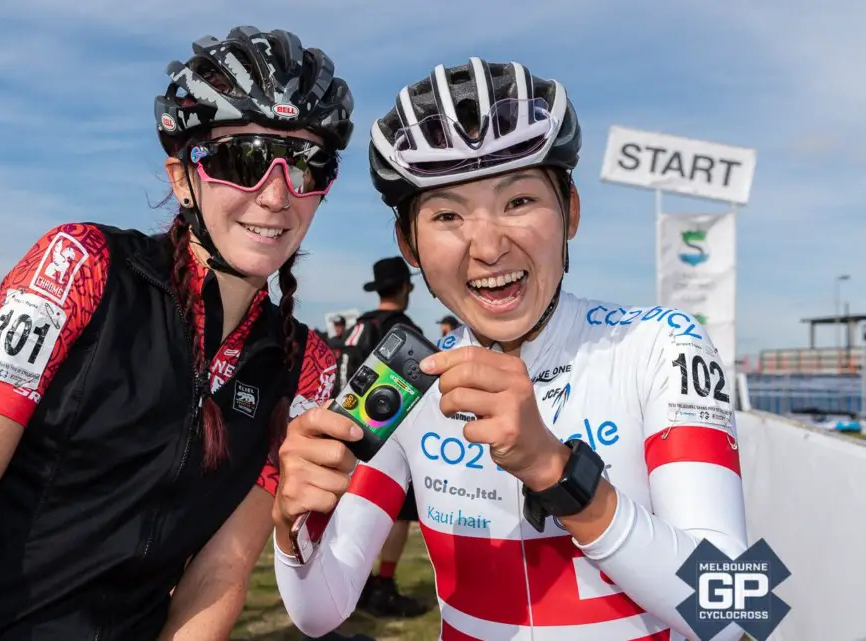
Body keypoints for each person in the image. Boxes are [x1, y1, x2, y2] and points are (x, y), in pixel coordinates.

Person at [0, 25, 353, 641]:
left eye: (307, 164)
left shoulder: (306, 363)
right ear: (184, 178)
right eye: (245, 159)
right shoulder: (78, 266)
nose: (275, 195)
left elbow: (223, 569)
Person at [272, 58, 748, 640]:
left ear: (570, 211)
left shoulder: (659, 345)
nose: (489, 246)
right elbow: (319, 612)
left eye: (518, 202)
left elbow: (735, 611)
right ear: (410, 244)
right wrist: (294, 525)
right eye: (447, 214)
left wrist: (557, 472)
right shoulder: (409, 382)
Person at [334, 256, 427, 618]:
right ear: (406, 287)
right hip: (384, 437)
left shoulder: (359, 326)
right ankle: (382, 585)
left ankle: (355, 583)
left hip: (344, 428)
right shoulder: (401, 330)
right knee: (397, 515)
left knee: (352, 512)